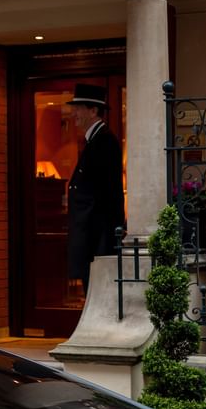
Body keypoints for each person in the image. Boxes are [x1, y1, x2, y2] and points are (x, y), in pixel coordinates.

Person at [66, 83, 125, 292]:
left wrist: (106, 235)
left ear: (93, 111)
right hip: (90, 233)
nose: (74, 113)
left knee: (98, 290)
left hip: (97, 234)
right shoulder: (95, 141)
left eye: (78, 108)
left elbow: (108, 193)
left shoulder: (104, 142)